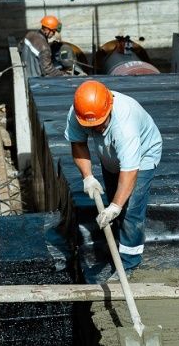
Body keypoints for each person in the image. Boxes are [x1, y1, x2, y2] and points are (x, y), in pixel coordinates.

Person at [67, 80, 163, 274]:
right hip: (110, 155)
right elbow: (78, 143)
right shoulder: (81, 112)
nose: (96, 129)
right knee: (113, 198)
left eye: (100, 125)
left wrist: (116, 207)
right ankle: (118, 243)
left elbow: (129, 171)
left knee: (130, 210)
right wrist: (88, 177)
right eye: (91, 126)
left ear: (109, 109)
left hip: (143, 155)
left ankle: (129, 262)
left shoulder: (125, 126)